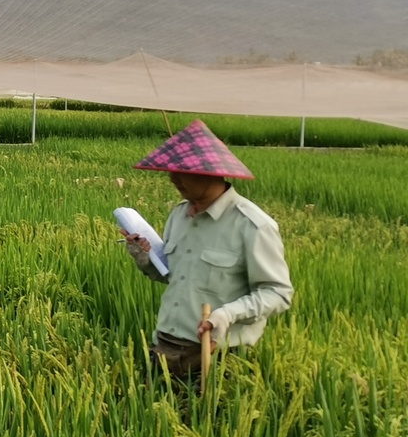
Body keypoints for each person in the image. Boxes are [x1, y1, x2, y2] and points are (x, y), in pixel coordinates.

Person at [121, 120, 293, 377]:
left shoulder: (253, 226)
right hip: (166, 345)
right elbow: (172, 277)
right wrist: (144, 258)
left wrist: (228, 314)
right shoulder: (179, 215)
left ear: (211, 171)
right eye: (170, 170)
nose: (172, 178)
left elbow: (278, 294)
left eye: (182, 171)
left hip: (219, 355)